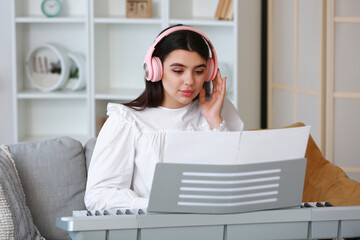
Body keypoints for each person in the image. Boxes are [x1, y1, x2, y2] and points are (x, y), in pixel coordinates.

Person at [84, 24, 244, 211]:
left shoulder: (220, 110)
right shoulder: (127, 121)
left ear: (208, 73)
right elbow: (98, 196)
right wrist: (155, 205)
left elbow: (241, 182)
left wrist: (215, 122)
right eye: (178, 70)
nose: (189, 81)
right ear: (155, 70)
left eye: (199, 71)